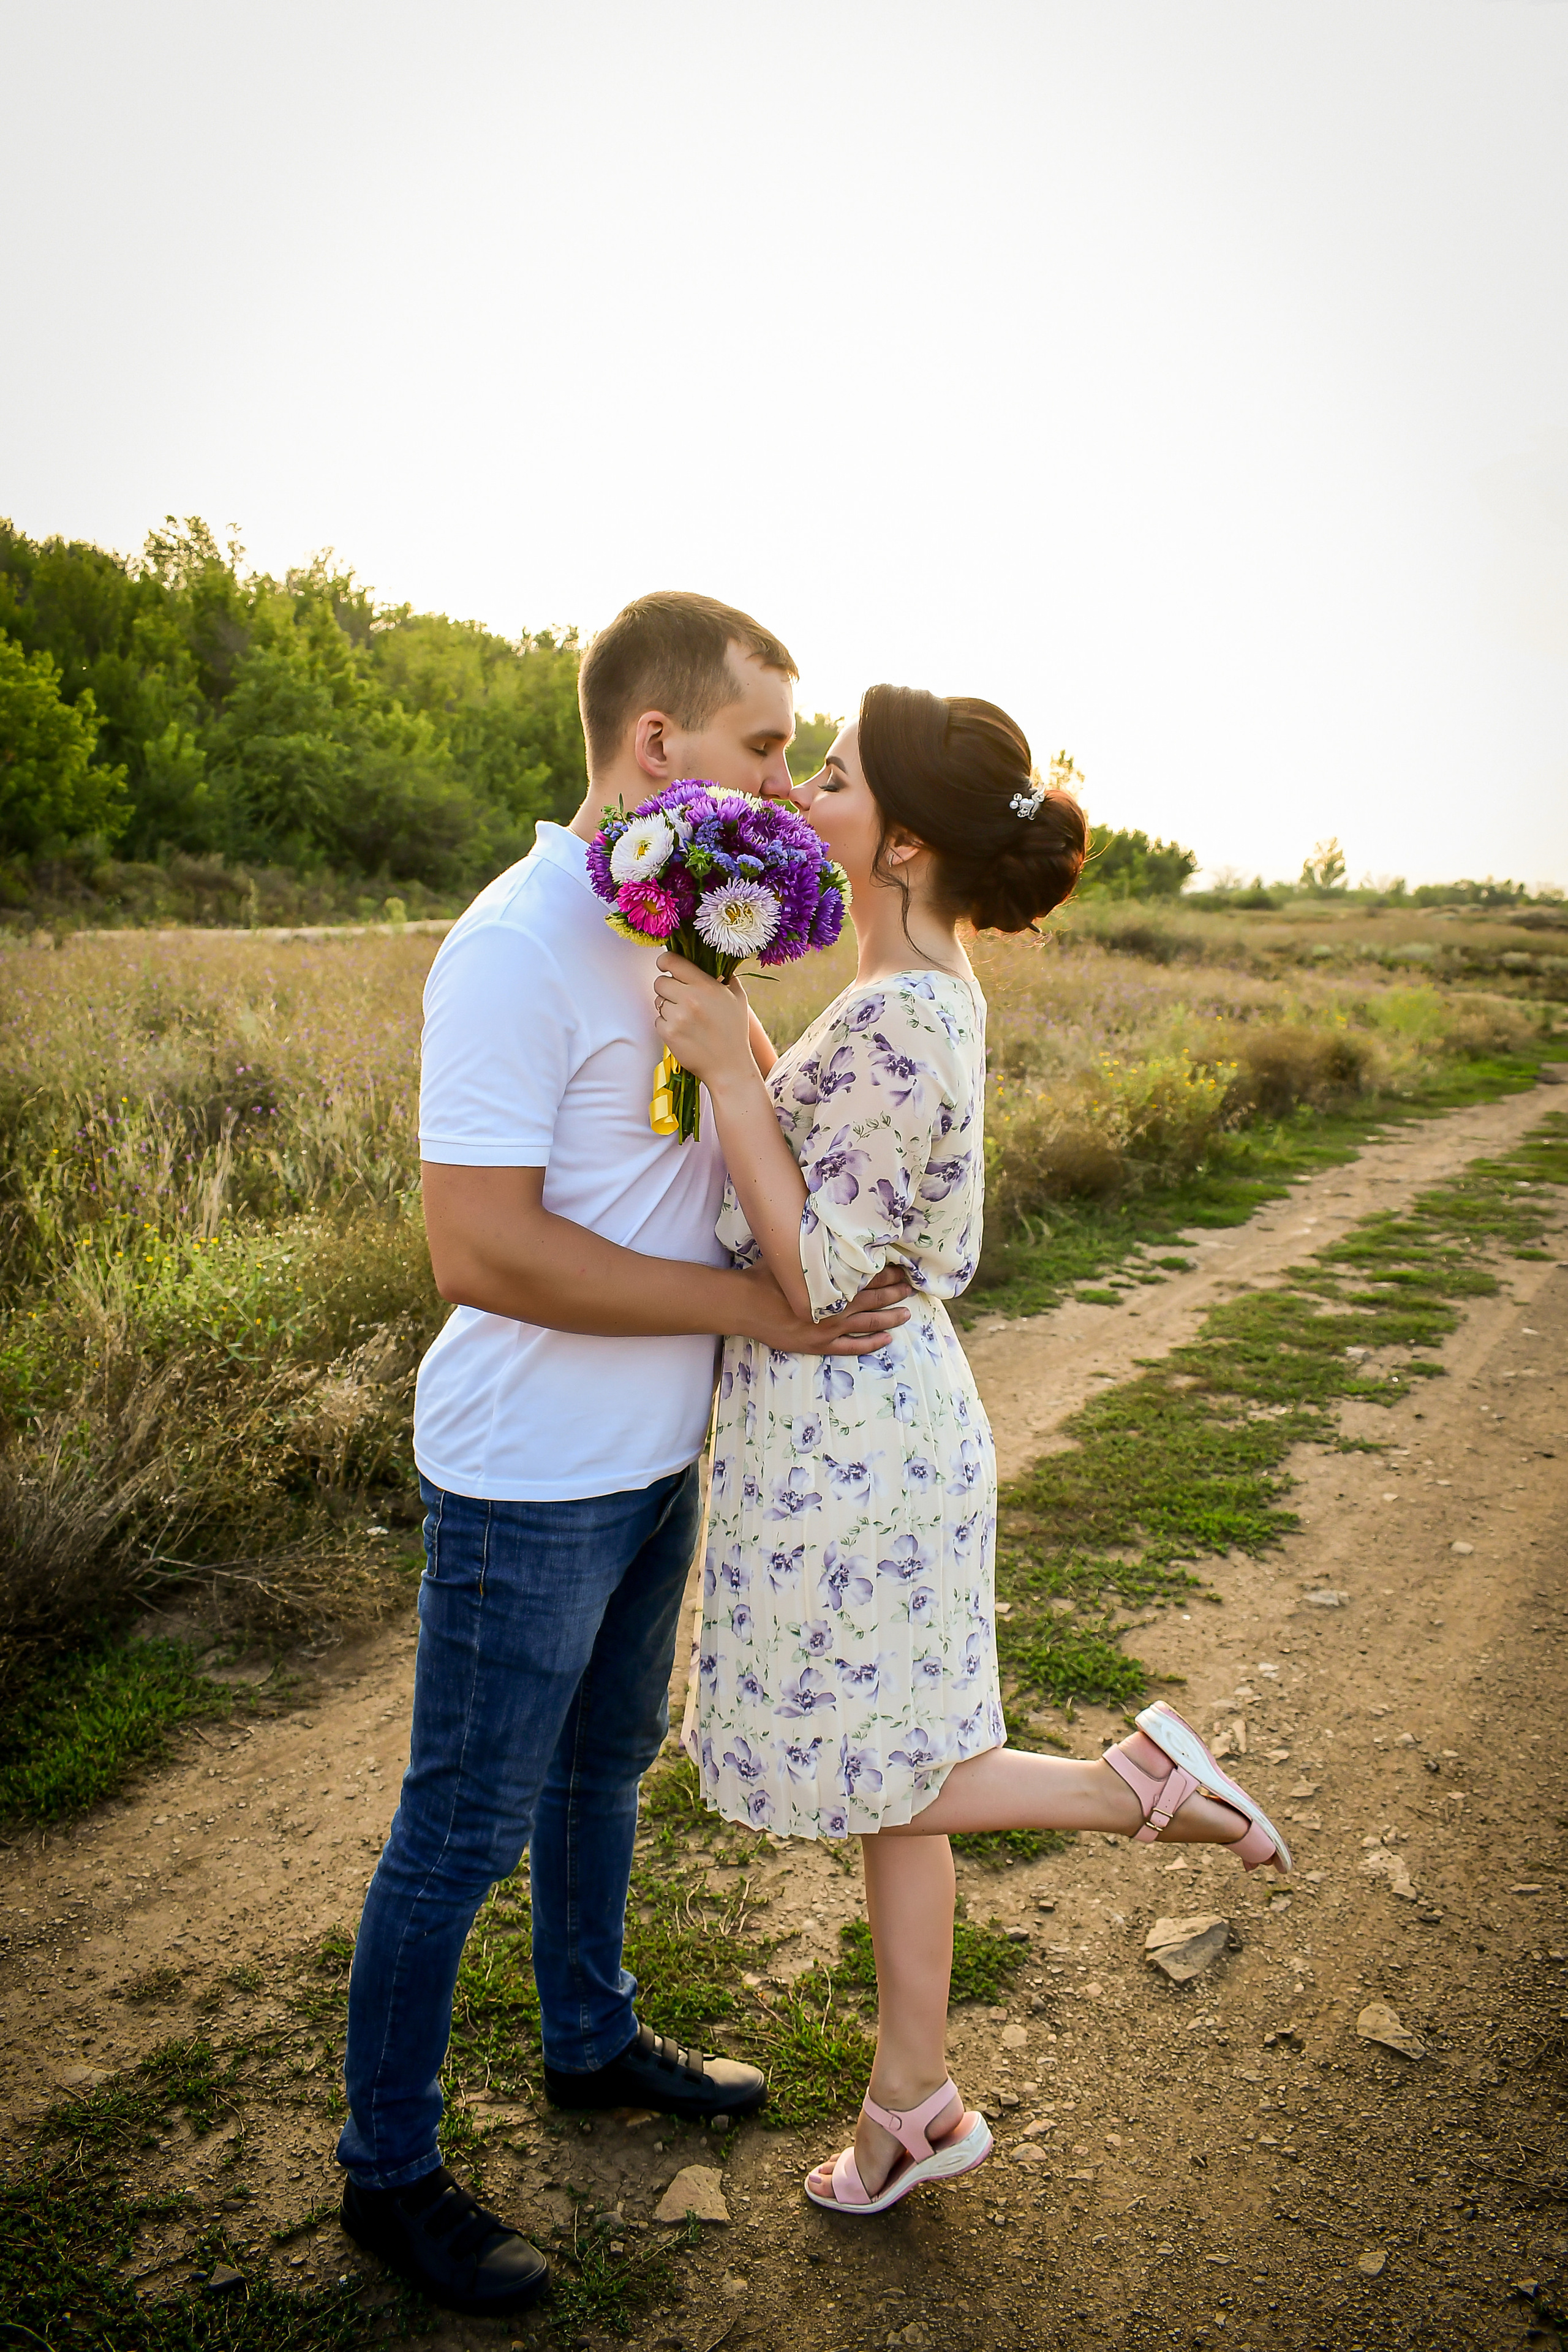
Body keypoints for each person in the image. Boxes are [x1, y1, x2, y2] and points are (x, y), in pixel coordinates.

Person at [336, 594, 916, 2317]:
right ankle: (388, 2173)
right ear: (656, 747)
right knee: (461, 1828)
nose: (787, 786)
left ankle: (588, 2041)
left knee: (599, 1780)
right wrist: (757, 1307)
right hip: (530, 1477)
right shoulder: (514, 948)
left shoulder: (701, 939)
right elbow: (484, 1252)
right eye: (760, 748)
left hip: (659, 1457)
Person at [654, 682, 1291, 2220]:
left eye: (838, 774)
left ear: (905, 840)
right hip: (856, 1425)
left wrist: (734, 1076)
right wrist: (737, 1031)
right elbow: (827, 1203)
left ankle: (1124, 1786)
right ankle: (913, 2099)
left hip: (852, 1439)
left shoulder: (899, 1015)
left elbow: (815, 1272)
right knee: (892, 1778)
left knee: (883, 1760)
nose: (807, 786)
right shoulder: (907, 996)